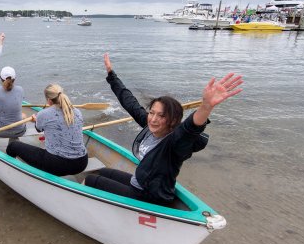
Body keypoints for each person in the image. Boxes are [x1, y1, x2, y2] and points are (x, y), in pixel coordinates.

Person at [84, 53, 243, 207]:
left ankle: (86, 212)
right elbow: (130, 102)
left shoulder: (174, 143)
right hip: (141, 184)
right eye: (152, 112)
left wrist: (206, 107)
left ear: (172, 120)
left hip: (149, 196)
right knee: (102, 172)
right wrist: (111, 75)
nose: (153, 119)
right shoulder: (151, 127)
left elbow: (189, 129)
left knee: (91, 180)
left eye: (161, 116)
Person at [6, 84, 88, 176]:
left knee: (13, 146)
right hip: (82, 163)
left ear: (49, 101)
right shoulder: (77, 112)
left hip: (58, 165)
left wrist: (35, 120)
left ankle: (10, 172)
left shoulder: (43, 114)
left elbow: (38, 129)